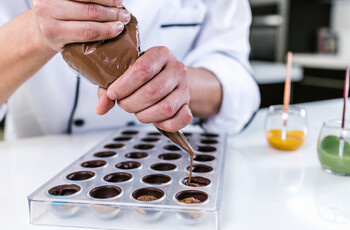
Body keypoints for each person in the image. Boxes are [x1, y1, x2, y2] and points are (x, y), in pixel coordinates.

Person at [0, 0, 260, 140]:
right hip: (35, 169)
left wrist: (178, 85)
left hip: (160, 163)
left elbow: (240, 86)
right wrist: (37, 32)